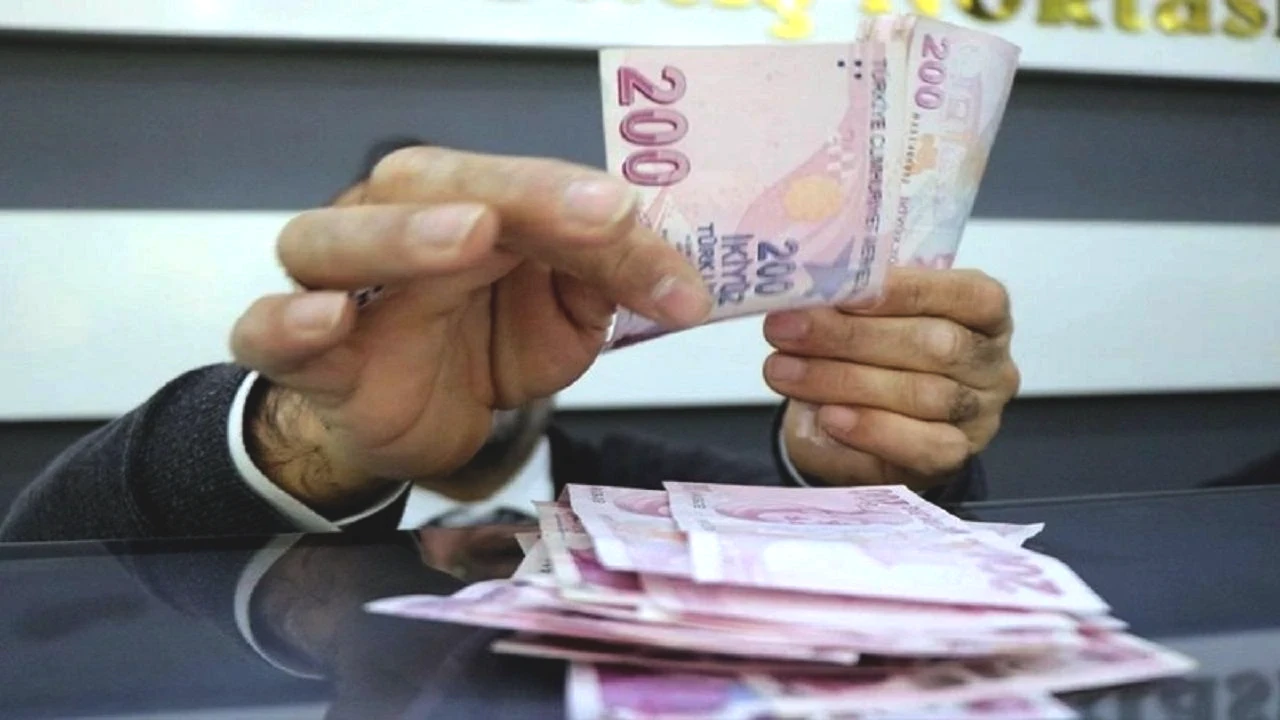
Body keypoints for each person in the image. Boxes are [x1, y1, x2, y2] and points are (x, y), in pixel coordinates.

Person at [0, 141, 1021, 543]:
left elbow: (825, 558)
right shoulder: (239, 514)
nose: (456, 320)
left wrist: (872, 473)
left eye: (500, 273)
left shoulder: (656, 494)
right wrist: (302, 435)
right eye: (396, 297)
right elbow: (41, 569)